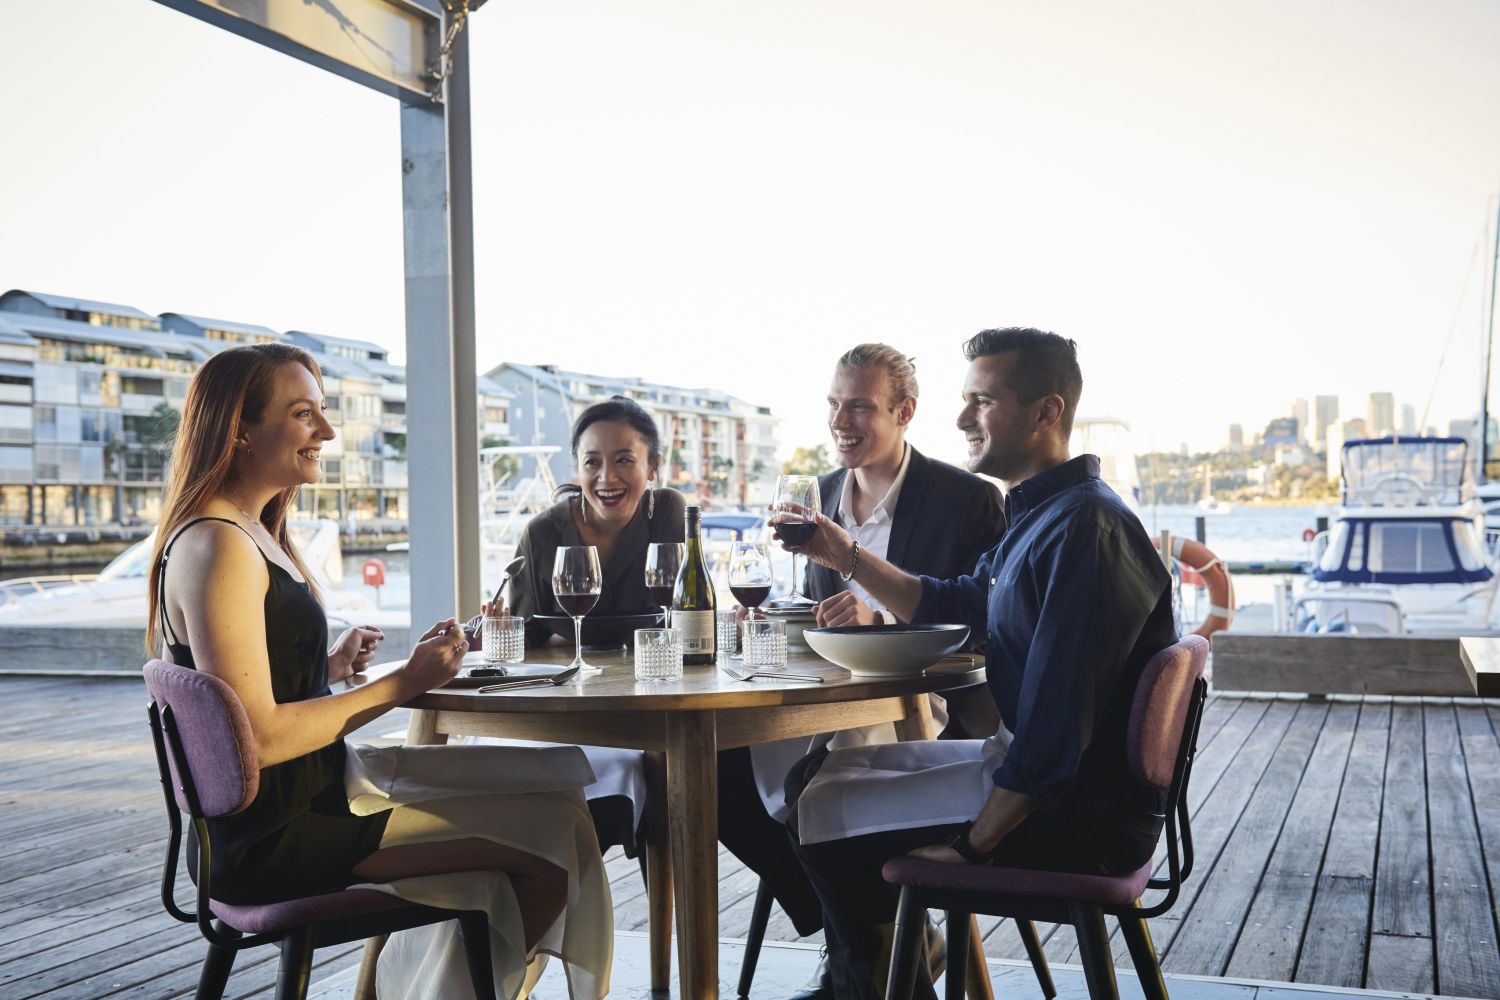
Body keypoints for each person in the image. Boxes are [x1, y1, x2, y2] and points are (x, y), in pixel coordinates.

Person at [147, 343, 611, 1000]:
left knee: (561, 806)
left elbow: (244, 701)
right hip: (278, 840)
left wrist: (328, 669)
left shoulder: (241, 531)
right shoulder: (218, 544)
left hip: (303, 807)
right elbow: (261, 737)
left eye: (323, 412)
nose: (327, 432)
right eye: (305, 414)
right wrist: (404, 684)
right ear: (240, 429)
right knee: (548, 858)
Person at [777, 328, 1177, 1000]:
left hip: (1077, 815)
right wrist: (841, 552)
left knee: (816, 815)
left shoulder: (1085, 532)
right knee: (811, 783)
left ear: (1047, 412)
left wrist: (973, 848)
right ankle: (882, 981)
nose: (961, 419)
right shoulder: (1046, 512)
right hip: (1042, 778)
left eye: (982, 402)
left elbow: (1055, 726)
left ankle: (871, 986)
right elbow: (951, 600)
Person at [717, 344, 1005, 983]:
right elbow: (813, 613)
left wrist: (883, 624)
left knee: (812, 782)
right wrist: (768, 621)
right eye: (833, 404)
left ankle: (859, 965)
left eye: (860, 406)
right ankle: (879, 934)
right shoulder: (817, 495)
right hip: (822, 697)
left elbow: (985, 626)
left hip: (925, 705)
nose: (840, 420)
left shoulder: (967, 500)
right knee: (717, 774)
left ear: (904, 411)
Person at [499, 394, 686, 856]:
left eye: (624, 460)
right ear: (577, 467)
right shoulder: (543, 533)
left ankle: (672, 926)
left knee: (678, 786)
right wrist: (497, 629)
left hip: (654, 699)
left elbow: (686, 613)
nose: (607, 478)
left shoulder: (666, 512)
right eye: (592, 462)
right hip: (569, 710)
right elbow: (524, 636)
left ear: (653, 465)